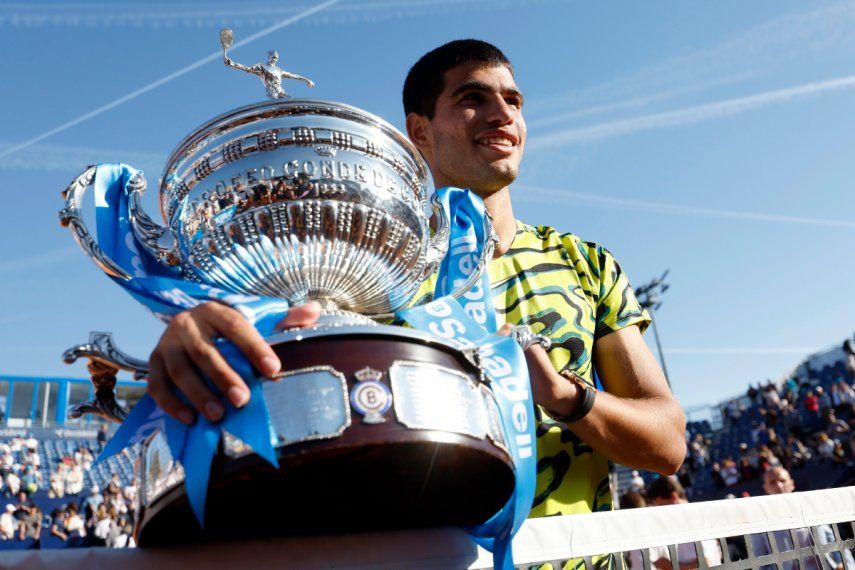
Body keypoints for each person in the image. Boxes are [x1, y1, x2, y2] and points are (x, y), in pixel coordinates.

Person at [145, 39, 685, 525]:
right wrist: (202, 340)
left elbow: (668, 443)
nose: (502, 114)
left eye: (514, 101)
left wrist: (565, 396)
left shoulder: (584, 262)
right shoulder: (364, 269)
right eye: (473, 98)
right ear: (420, 131)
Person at [753, 467, 853, 570]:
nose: (779, 485)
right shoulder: (761, 520)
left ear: (792, 484)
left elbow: (832, 540)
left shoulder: (809, 509)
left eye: (782, 480)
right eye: (772, 482)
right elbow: (760, 561)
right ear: (766, 488)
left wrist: (846, 565)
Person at [635, 476, 722, 569]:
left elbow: (706, 564)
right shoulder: (687, 519)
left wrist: (670, 566)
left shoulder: (693, 520)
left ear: (673, 496)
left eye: (661, 507)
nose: (661, 514)